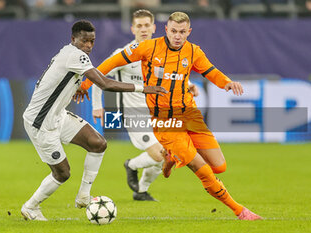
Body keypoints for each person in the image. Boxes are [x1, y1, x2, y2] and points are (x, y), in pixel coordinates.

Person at [78, 12, 262, 220]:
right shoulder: (147, 47)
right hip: (164, 121)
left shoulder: (193, 51)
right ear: (166, 29)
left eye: (182, 32)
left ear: (188, 32)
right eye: (174, 31)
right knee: (202, 170)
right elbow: (110, 63)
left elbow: (210, 71)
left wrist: (226, 82)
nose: (177, 36)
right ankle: (240, 211)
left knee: (219, 166)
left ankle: (172, 157)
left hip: (191, 116)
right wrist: (85, 84)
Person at [21, 20, 166, 221]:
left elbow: (67, 78)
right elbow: (105, 83)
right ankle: (31, 207)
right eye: (84, 41)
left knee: (97, 143)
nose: (88, 46)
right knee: (62, 173)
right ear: (73, 40)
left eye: (92, 41)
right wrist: (143, 88)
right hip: (41, 122)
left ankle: (83, 196)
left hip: (58, 116)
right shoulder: (75, 55)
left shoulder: (70, 54)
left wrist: (78, 86)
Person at [87, 9, 199, 202]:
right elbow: (98, 75)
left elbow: (171, 79)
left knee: (167, 156)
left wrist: (188, 85)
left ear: (154, 27)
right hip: (135, 115)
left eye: (147, 25)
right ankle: (130, 165)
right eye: (139, 26)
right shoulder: (123, 54)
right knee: (159, 154)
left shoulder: (162, 54)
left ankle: (141, 190)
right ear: (132, 29)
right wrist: (97, 106)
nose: (144, 29)